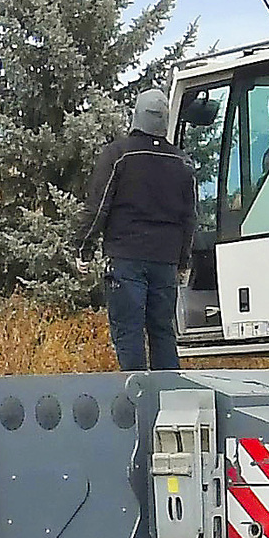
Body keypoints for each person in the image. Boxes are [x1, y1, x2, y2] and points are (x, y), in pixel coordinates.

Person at [85, 85, 197, 373]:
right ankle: (169, 397)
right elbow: (189, 218)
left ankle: (137, 403)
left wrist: (83, 247)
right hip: (165, 261)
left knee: (129, 332)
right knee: (163, 332)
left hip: (127, 257)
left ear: (135, 116)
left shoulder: (118, 155)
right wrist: (183, 261)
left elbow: (99, 206)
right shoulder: (181, 162)